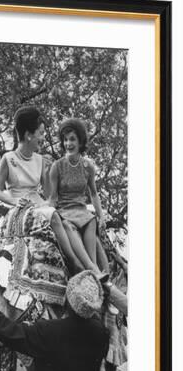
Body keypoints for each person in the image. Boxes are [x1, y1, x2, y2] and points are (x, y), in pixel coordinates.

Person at [0, 105, 85, 274]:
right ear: (29, 135)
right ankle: (74, 263)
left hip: (39, 204)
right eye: (41, 133)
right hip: (19, 208)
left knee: (67, 220)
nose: (43, 138)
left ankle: (89, 264)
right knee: (54, 217)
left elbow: (50, 194)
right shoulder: (8, 158)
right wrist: (14, 201)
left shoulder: (40, 160)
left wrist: (50, 198)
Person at [49, 118, 109, 276]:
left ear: (81, 142)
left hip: (83, 212)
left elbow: (94, 194)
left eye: (72, 139)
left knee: (92, 221)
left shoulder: (88, 166)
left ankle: (95, 272)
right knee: (69, 229)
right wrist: (48, 213)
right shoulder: (57, 166)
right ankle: (93, 270)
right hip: (65, 213)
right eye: (65, 139)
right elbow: (53, 197)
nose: (68, 144)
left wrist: (101, 216)